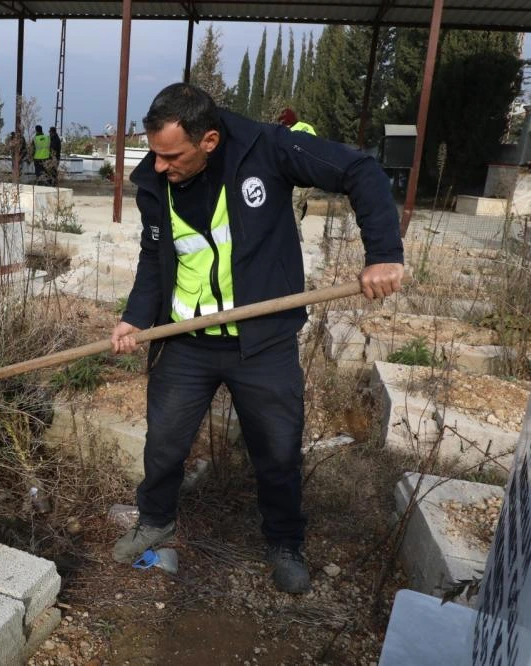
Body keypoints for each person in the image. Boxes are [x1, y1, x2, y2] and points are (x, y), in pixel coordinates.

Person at [109, 83, 404, 594]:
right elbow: (153, 257)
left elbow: (359, 169)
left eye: (171, 155)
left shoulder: (268, 148)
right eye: (154, 154)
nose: (159, 167)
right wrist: (136, 317)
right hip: (185, 343)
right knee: (163, 446)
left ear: (209, 140)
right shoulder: (156, 183)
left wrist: (382, 252)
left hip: (262, 342)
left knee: (278, 451)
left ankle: (285, 543)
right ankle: (156, 521)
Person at [277, 108, 317, 232]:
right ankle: (297, 231)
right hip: (311, 178)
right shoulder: (308, 127)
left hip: (299, 177)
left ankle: (295, 236)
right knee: (300, 206)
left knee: (292, 207)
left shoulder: (290, 133)